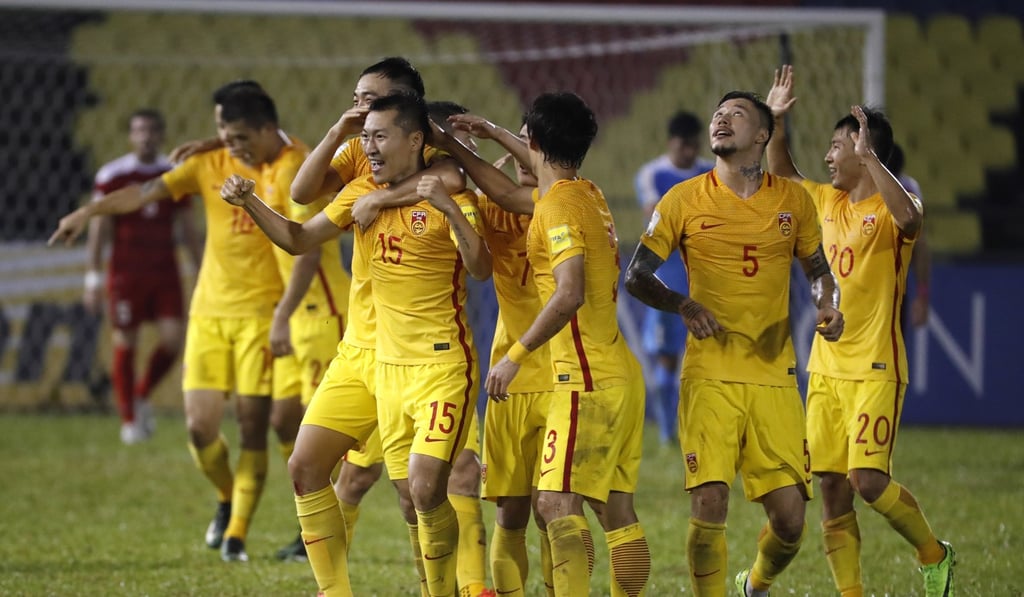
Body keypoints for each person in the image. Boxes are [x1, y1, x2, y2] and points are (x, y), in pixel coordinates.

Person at [222, 93, 491, 597]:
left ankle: (460, 587)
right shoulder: (359, 191)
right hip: (380, 365)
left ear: (415, 139)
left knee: (430, 487)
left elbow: (479, 267)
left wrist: (449, 210)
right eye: (364, 135)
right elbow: (300, 236)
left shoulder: (449, 190)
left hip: (440, 365)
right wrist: (250, 201)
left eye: (378, 134)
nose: (368, 145)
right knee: (308, 467)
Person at [51, 83, 309, 563]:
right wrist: (88, 211)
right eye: (221, 133)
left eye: (233, 135)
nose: (226, 142)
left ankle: (235, 535)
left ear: (264, 129)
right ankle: (226, 496)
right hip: (210, 314)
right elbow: (142, 193)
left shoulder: (289, 168)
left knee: (254, 427)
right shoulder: (208, 166)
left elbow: (298, 170)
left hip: (261, 318)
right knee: (198, 427)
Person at [625, 90, 845, 597]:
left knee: (790, 522)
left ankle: (756, 583)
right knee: (709, 503)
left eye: (737, 114)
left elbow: (819, 271)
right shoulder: (682, 198)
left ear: (762, 135)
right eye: (718, 114)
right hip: (710, 376)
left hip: (773, 375)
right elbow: (636, 275)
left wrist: (827, 304)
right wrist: (683, 304)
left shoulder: (793, 201)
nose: (721, 119)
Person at [432, 92, 651, 597]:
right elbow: (511, 191)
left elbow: (569, 292)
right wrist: (480, 137)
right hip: (616, 371)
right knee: (614, 512)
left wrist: (514, 356)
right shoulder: (586, 192)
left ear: (531, 141)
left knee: (553, 505)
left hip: (583, 377)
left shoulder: (555, 209)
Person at [765, 65, 955, 597]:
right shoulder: (826, 201)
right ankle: (851, 593)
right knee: (829, 487)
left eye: (836, 146)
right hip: (825, 368)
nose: (827, 157)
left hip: (875, 365)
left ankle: (934, 554)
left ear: (864, 149)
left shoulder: (895, 207)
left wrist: (873, 157)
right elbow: (782, 172)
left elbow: (913, 222)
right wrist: (777, 121)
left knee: (866, 481)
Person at [85, 108, 201, 444]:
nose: (145, 137)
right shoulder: (113, 175)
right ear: (130, 136)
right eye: (139, 131)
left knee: (172, 340)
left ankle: (140, 394)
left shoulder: (172, 174)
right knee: (126, 342)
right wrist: (92, 279)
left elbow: (188, 229)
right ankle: (129, 421)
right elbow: (99, 227)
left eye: (151, 130)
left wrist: (200, 268)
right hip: (126, 273)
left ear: (161, 134)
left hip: (165, 270)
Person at [633, 110, 714, 444]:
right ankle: (668, 434)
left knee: (708, 354)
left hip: (705, 275)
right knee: (668, 356)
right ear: (671, 143)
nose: (689, 152)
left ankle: (702, 428)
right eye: (684, 145)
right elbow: (657, 219)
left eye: (694, 145)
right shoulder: (653, 174)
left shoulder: (710, 172)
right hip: (667, 277)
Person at [888, 143, 932, 330]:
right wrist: (922, 295)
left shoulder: (908, 189)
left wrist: (922, 295)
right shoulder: (909, 188)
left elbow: (920, 244)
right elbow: (920, 244)